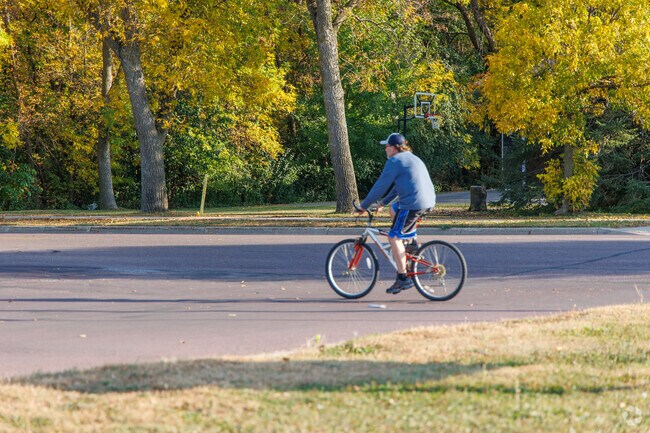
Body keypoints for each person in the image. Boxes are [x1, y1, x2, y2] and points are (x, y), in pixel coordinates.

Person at [356, 132, 436, 294]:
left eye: (386, 147)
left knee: (393, 236)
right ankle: (411, 243)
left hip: (413, 204)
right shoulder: (412, 158)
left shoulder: (394, 161)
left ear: (393, 148)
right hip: (427, 201)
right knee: (394, 210)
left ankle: (403, 278)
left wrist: (363, 206)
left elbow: (380, 186)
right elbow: (397, 186)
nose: (385, 150)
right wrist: (383, 204)